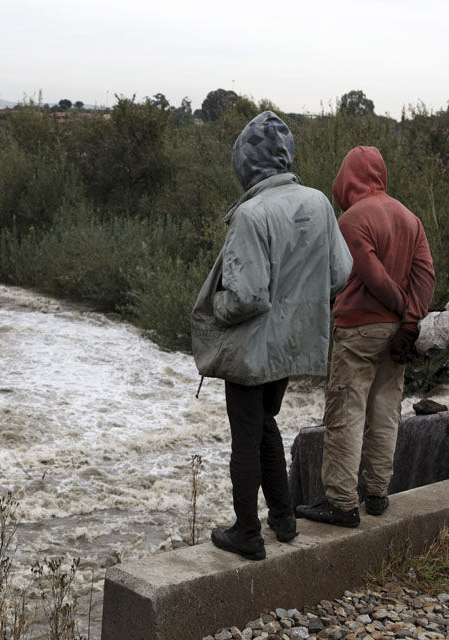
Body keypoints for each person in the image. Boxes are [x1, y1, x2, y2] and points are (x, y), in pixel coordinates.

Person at [192, 111, 352, 561]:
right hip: (292, 344)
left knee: (244, 434)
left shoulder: (251, 213)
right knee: (265, 424)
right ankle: (283, 520)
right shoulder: (319, 202)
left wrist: (215, 310)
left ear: (246, 162)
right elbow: (340, 272)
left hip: (250, 348)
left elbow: (244, 297)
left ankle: (247, 532)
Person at [297, 146, 435, 527]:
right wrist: (409, 323)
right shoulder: (411, 219)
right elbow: (426, 277)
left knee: (346, 410)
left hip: (358, 328)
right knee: (386, 410)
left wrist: (402, 315)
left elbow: (371, 276)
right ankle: (377, 494)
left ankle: (341, 503)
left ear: (348, 178)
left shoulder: (352, 220)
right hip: (399, 336)